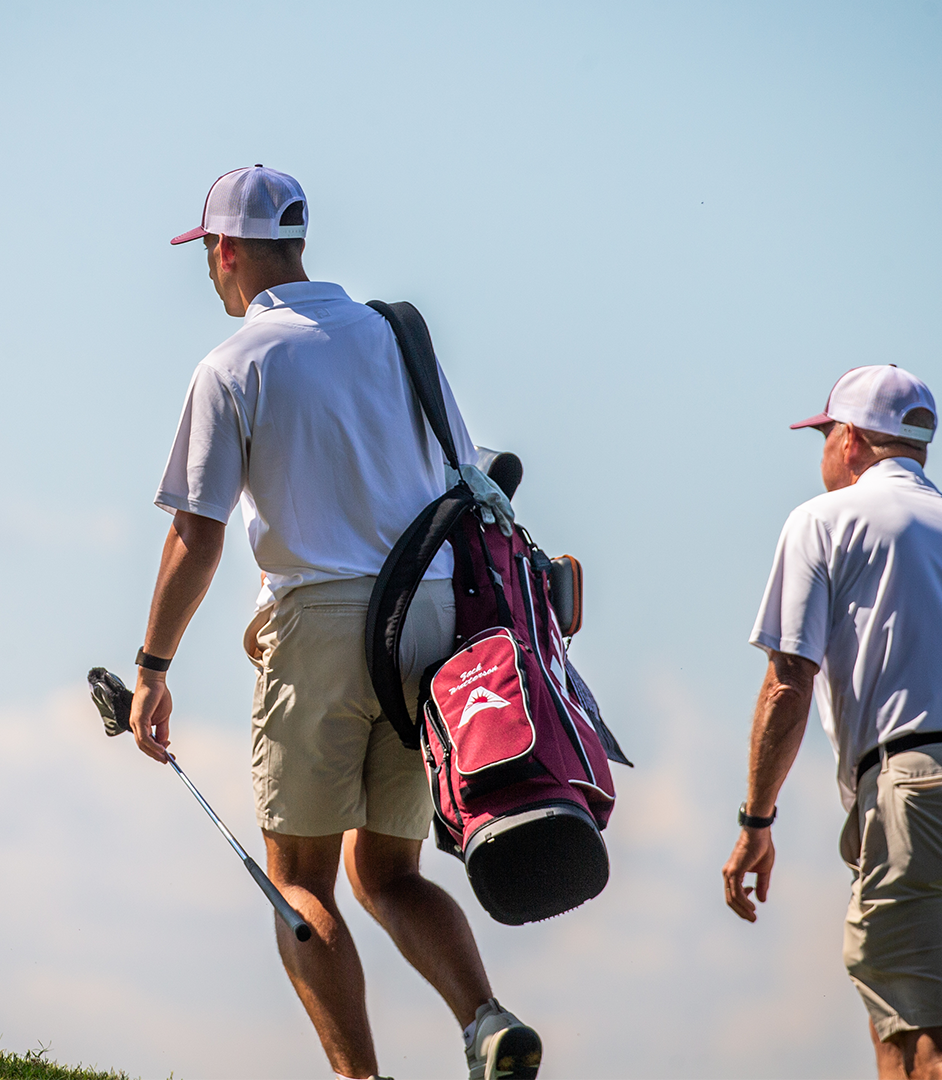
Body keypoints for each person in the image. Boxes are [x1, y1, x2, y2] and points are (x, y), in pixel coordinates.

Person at [127, 165, 541, 1080]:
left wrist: (154, 665)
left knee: (303, 880)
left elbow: (196, 538)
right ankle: (487, 1019)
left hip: (317, 625)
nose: (211, 274)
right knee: (391, 873)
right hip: (427, 624)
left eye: (208, 257)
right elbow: (459, 487)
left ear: (227, 251)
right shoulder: (401, 341)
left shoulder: (232, 363)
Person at [720, 365, 942, 1079]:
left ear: (849, 440)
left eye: (823, 435)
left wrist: (755, 823)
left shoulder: (821, 520)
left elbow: (787, 683)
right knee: (903, 1034)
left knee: (940, 1050)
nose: (821, 451)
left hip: (926, 793)